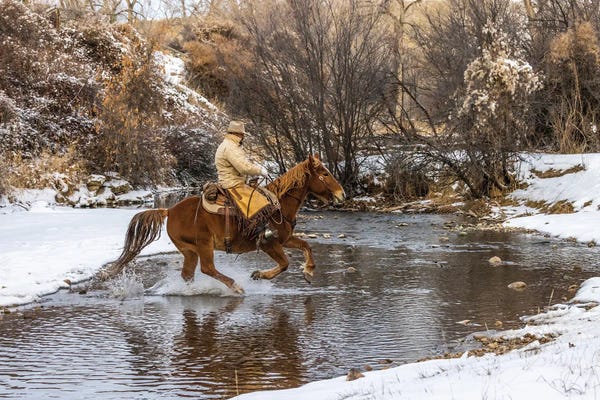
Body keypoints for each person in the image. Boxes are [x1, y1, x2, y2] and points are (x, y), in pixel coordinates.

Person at [214, 120, 277, 242]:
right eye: (243, 134)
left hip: (233, 181)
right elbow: (243, 167)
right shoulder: (230, 147)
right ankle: (257, 232)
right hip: (232, 183)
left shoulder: (229, 145)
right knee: (260, 202)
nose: (243, 137)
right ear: (239, 134)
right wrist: (260, 171)